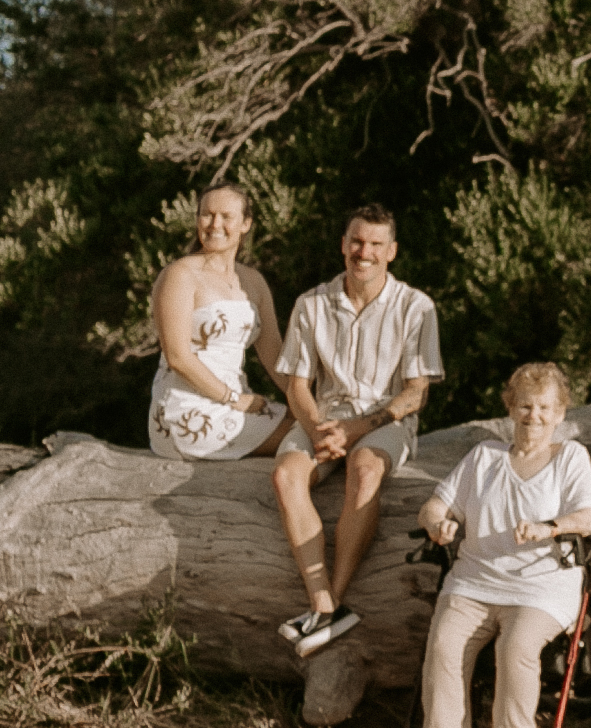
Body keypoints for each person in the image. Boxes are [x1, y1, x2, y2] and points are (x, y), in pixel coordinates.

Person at [396, 363, 591, 728]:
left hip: (542, 586)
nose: (535, 416)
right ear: (510, 407)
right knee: (445, 646)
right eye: (525, 405)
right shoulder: (484, 457)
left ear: (561, 412)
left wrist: (550, 526)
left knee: (517, 649)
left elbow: (590, 517)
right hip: (474, 580)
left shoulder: (570, 457)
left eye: (546, 407)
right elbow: (434, 506)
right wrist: (441, 524)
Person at [268, 204, 445, 659]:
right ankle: (323, 604)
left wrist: (356, 430)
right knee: (286, 476)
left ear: (392, 251)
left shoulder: (416, 306)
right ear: (344, 244)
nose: (363, 252)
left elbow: (415, 394)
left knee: (365, 470)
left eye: (375, 244)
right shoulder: (311, 304)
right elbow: (297, 385)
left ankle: (333, 602)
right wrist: (317, 429)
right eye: (356, 242)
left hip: (384, 421)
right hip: (323, 417)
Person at [146, 183, 289, 462]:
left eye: (226, 216)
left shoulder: (253, 281)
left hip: (240, 403)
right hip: (188, 409)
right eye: (207, 215)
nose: (215, 224)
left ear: (245, 224)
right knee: (309, 438)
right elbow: (177, 357)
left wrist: (306, 402)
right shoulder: (180, 275)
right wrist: (234, 399)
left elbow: (274, 354)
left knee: (320, 430)